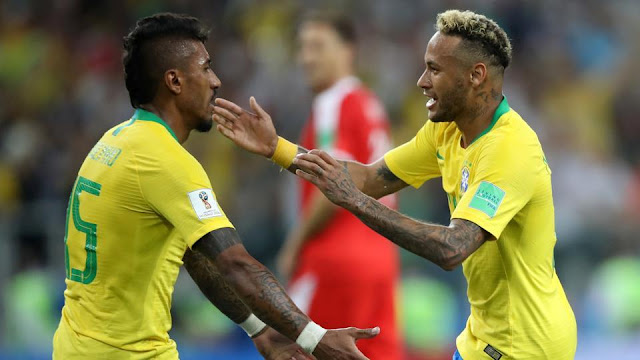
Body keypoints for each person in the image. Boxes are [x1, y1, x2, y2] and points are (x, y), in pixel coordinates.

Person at [214, 9, 577, 360]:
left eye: (434, 70)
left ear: (476, 75)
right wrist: (276, 148)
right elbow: (370, 178)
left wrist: (355, 203)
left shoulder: (509, 150)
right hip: (482, 336)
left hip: (526, 346)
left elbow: (452, 248)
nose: (421, 81)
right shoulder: (446, 130)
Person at [52, 13, 379, 360]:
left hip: (75, 347)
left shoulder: (115, 141)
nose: (217, 81)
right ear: (175, 81)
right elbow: (234, 263)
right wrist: (315, 338)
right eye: (206, 68)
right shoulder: (165, 160)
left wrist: (262, 330)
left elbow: (197, 256)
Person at [276, 12, 403, 360]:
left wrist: (294, 246)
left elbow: (333, 183)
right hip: (379, 258)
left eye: (318, 46)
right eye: (302, 48)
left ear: (348, 50)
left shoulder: (335, 101)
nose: (306, 58)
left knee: (289, 348)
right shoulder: (369, 103)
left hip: (336, 259)